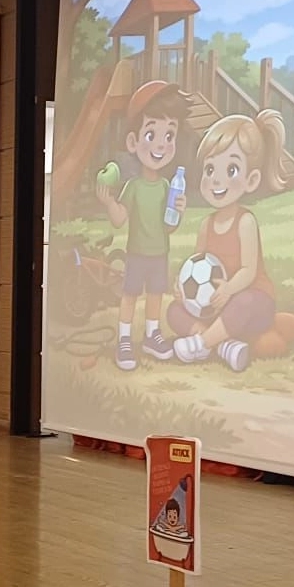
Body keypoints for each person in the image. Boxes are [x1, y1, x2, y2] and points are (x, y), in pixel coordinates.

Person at [166, 109, 287, 372]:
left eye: (231, 169)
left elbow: (249, 271)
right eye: (210, 169)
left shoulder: (245, 222)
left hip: (251, 303)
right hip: (215, 307)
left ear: (251, 180)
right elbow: (195, 265)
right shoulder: (206, 225)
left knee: (244, 302)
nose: (216, 179)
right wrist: (182, 289)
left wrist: (229, 290)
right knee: (173, 311)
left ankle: (201, 343)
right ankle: (224, 346)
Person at [95, 81, 190, 370]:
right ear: (133, 143)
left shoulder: (167, 186)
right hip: (137, 253)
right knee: (130, 294)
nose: (161, 144)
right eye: (152, 134)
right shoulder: (134, 186)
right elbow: (120, 219)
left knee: (156, 294)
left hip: (159, 253)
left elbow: (169, 227)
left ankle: (151, 334)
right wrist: (109, 203)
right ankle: (125, 339)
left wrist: (178, 212)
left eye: (169, 135)